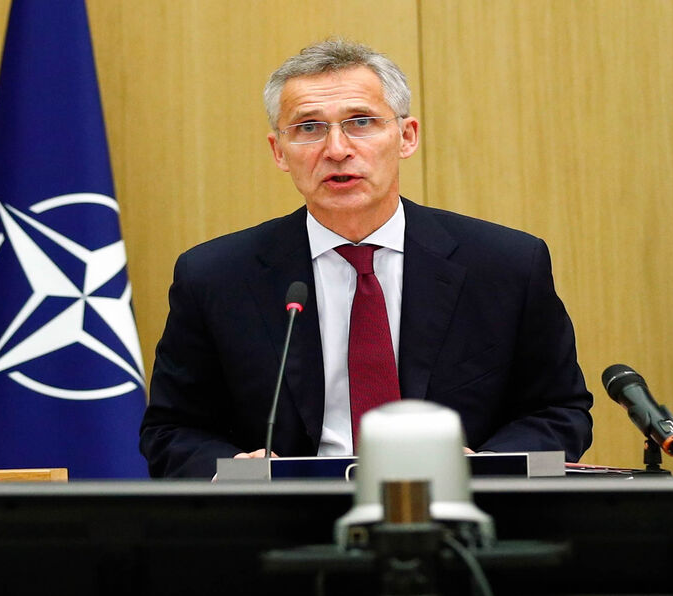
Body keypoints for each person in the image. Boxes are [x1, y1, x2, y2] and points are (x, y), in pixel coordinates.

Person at [140, 39, 593, 478]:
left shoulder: (506, 265)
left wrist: (484, 469)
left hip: (458, 520)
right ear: (279, 151)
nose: (336, 149)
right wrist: (235, 472)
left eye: (360, 122)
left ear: (406, 137)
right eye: (309, 128)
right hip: (282, 525)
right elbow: (171, 430)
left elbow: (559, 411)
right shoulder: (216, 277)